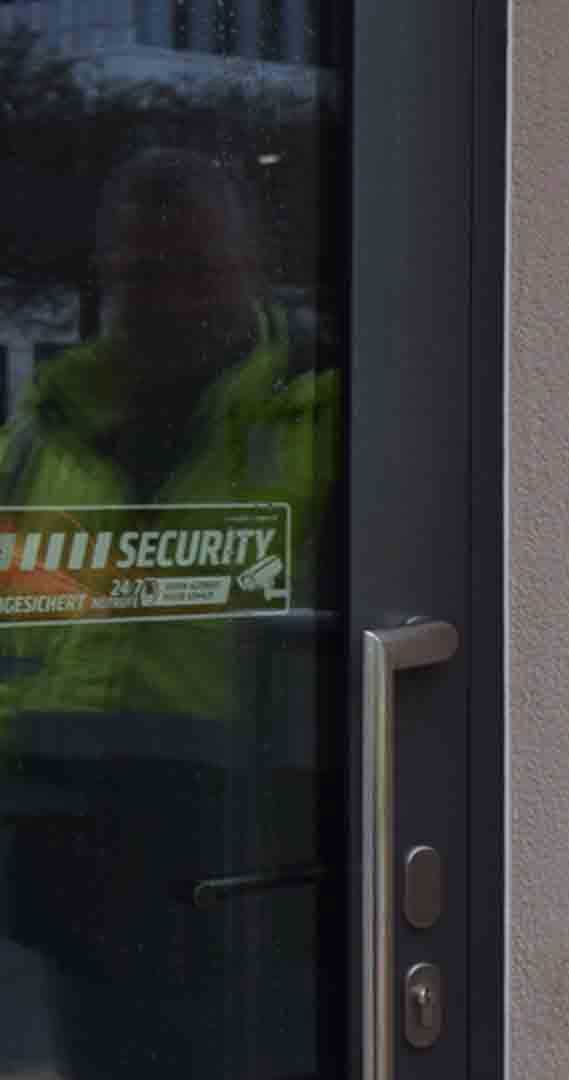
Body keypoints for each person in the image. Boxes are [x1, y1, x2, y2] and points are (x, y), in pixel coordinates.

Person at [0, 147, 339, 1077]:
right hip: (52, 831)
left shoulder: (320, 419)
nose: (171, 298)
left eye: (198, 269)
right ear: (108, 278)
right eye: (144, 275)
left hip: (240, 832)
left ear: (249, 270)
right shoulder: (40, 431)